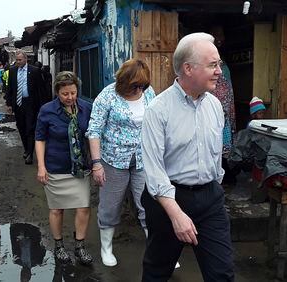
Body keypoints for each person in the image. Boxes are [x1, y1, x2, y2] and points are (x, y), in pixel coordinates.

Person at [141, 32, 234, 281]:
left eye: (219, 64)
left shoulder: (214, 106)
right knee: (157, 270)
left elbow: (215, 157)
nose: (219, 71)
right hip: (168, 199)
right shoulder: (158, 110)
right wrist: (176, 214)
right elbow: (153, 170)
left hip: (209, 198)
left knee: (222, 273)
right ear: (188, 69)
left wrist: (214, 186)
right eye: (212, 65)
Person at [86, 59, 156, 267]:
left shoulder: (149, 93)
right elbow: (94, 130)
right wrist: (97, 163)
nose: (138, 90)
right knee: (110, 205)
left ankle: (158, 250)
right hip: (113, 160)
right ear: (123, 82)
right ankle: (106, 248)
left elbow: (157, 122)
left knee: (148, 204)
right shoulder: (107, 96)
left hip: (143, 158)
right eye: (134, 85)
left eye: (141, 86)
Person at [35, 71, 93, 265]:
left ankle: (80, 246)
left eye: (73, 93)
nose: (70, 97)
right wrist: (41, 167)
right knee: (57, 209)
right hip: (56, 167)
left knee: (83, 207)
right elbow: (40, 139)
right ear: (57, 92)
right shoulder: (47, 110)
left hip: (80, 168)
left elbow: (92, 135)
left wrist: (96, 162)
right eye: (65, 94)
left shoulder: (86, 108)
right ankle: (59, 246)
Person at [5, 49, 46, 164]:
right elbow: (10, 88)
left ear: (25, 59)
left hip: (31, 104)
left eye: (19, 59)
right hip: (18, 104)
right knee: (21, 127)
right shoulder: (12, 71)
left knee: (30, 128)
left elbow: (41, 89)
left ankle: (30, 154)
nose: (17, 62)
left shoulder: (35, 71)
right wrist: (9, 103)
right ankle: (27, 149)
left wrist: (43, 106)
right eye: (16, 60)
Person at [209, 25, 236, 186]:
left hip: (224, 110)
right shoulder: (207, 60)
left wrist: (228, 110)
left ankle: (224, 175)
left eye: (222, 35)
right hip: (212, 111)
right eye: (217, 35)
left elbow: (228, 88)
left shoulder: (224, 65)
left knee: (223, 146)